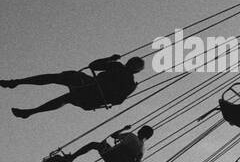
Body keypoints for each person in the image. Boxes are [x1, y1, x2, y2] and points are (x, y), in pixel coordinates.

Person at [4, 55, 145, 118]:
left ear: (134, 69)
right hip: (91, 88)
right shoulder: (120, 71)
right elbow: (94, 66)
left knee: (67, 95)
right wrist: (110, 60)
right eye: (131, 62)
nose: (130, 64)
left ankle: (29, 109)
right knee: (64, 79)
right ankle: (17, 83)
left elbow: (117, 100)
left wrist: (110, 60)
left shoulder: (126, 79)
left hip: (93, 93)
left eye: (133, 64)